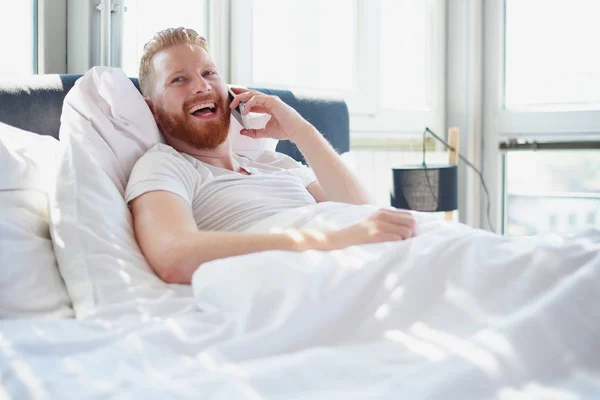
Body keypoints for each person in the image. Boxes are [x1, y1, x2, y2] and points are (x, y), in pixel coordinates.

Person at [126, 27, 416, 284]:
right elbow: (174, 257)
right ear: (152, 110)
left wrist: (300, 130)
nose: (201, 86)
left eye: (208, 73)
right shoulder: (163, 165)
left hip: (377, 260)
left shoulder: (277, 164)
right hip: (321, 271)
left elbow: (366, 214)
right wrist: (334, 241)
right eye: (178, 79)